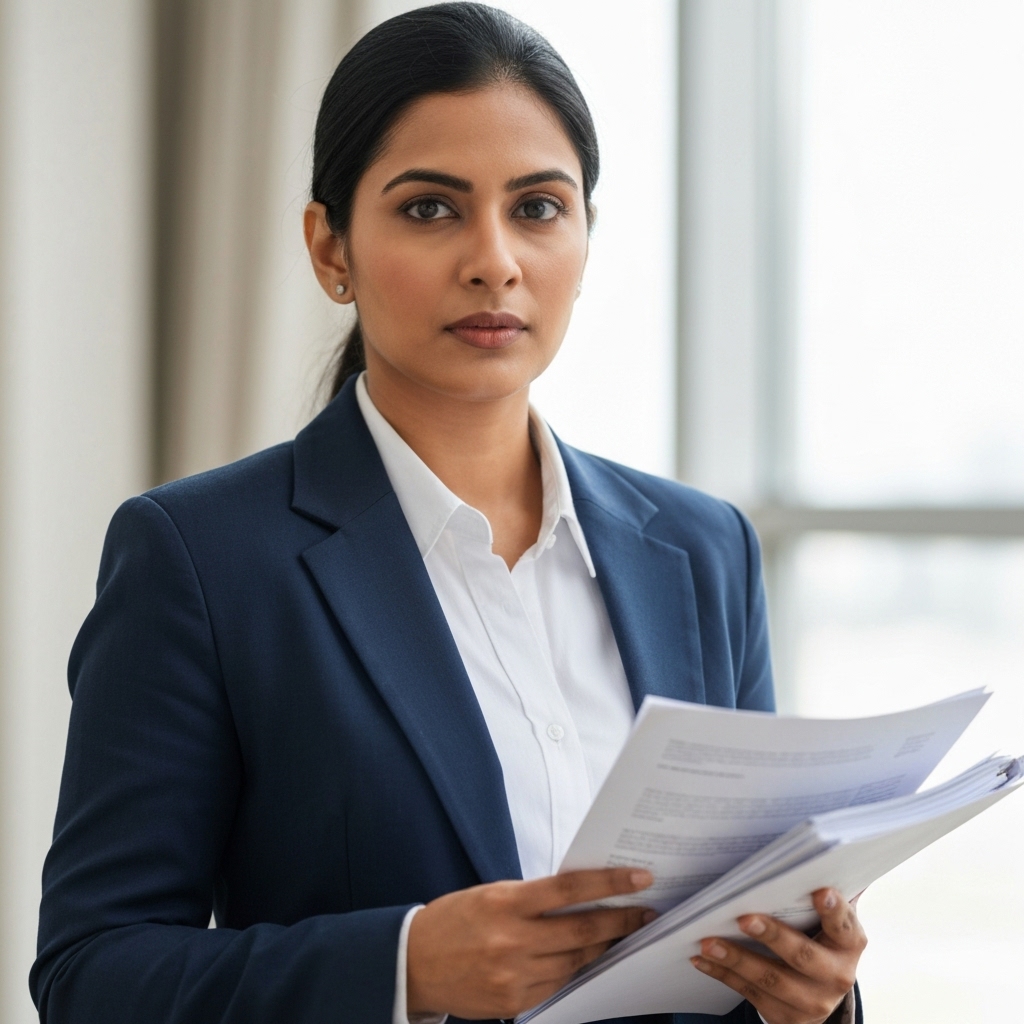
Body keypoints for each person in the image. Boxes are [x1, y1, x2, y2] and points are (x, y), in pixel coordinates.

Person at [31, 5, 865, 1023]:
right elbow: (92, 974)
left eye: (538, 208)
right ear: (329, 246)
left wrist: (814, 995)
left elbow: (742, 922)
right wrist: (402, 965)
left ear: (585, 239)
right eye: (430, 208)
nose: (494, 260)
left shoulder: (700, 548)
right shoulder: (202, 559)